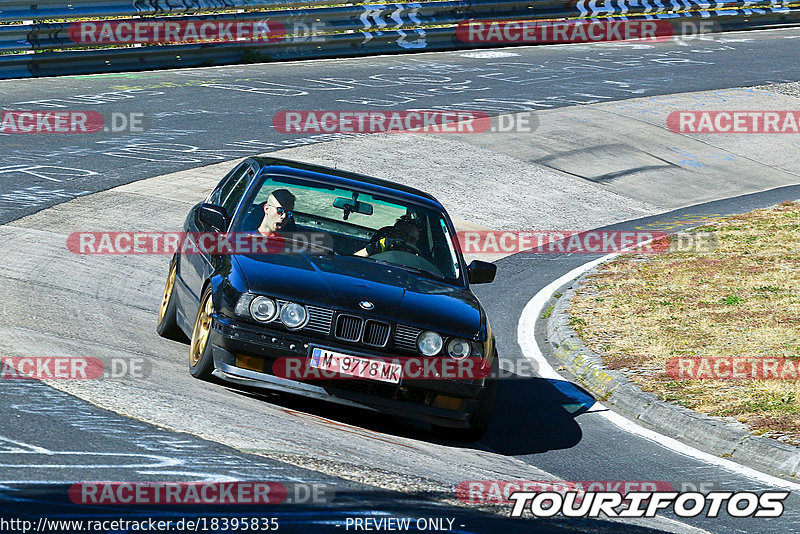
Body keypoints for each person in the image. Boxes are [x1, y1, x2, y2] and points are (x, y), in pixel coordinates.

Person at [355, 215, 423, 257]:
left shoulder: (416, 263)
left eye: (412, 240)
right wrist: (373, 248)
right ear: (393, 234)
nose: (406, 241)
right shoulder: (378, 250)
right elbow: (351, 263)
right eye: (403, 235)